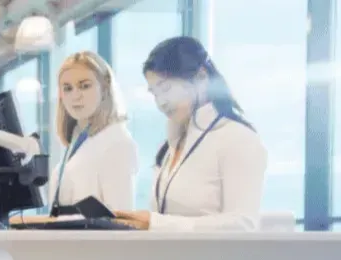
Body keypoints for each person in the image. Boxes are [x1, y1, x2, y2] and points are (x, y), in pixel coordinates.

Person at [114, 36, 268, 231]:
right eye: (154, 93)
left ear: (201, 78)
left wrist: (155, 223)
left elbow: (243, 223)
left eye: (166, 88)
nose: (161, 102)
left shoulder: (237, 138)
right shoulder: (175, 142)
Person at [49, 51, 138, 214]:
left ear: (104, 88)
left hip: (92, 239)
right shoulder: (77, 138)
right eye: (67, 88)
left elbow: (121, 217)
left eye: (85, 86)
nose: (75, 96)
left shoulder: (116, 142)